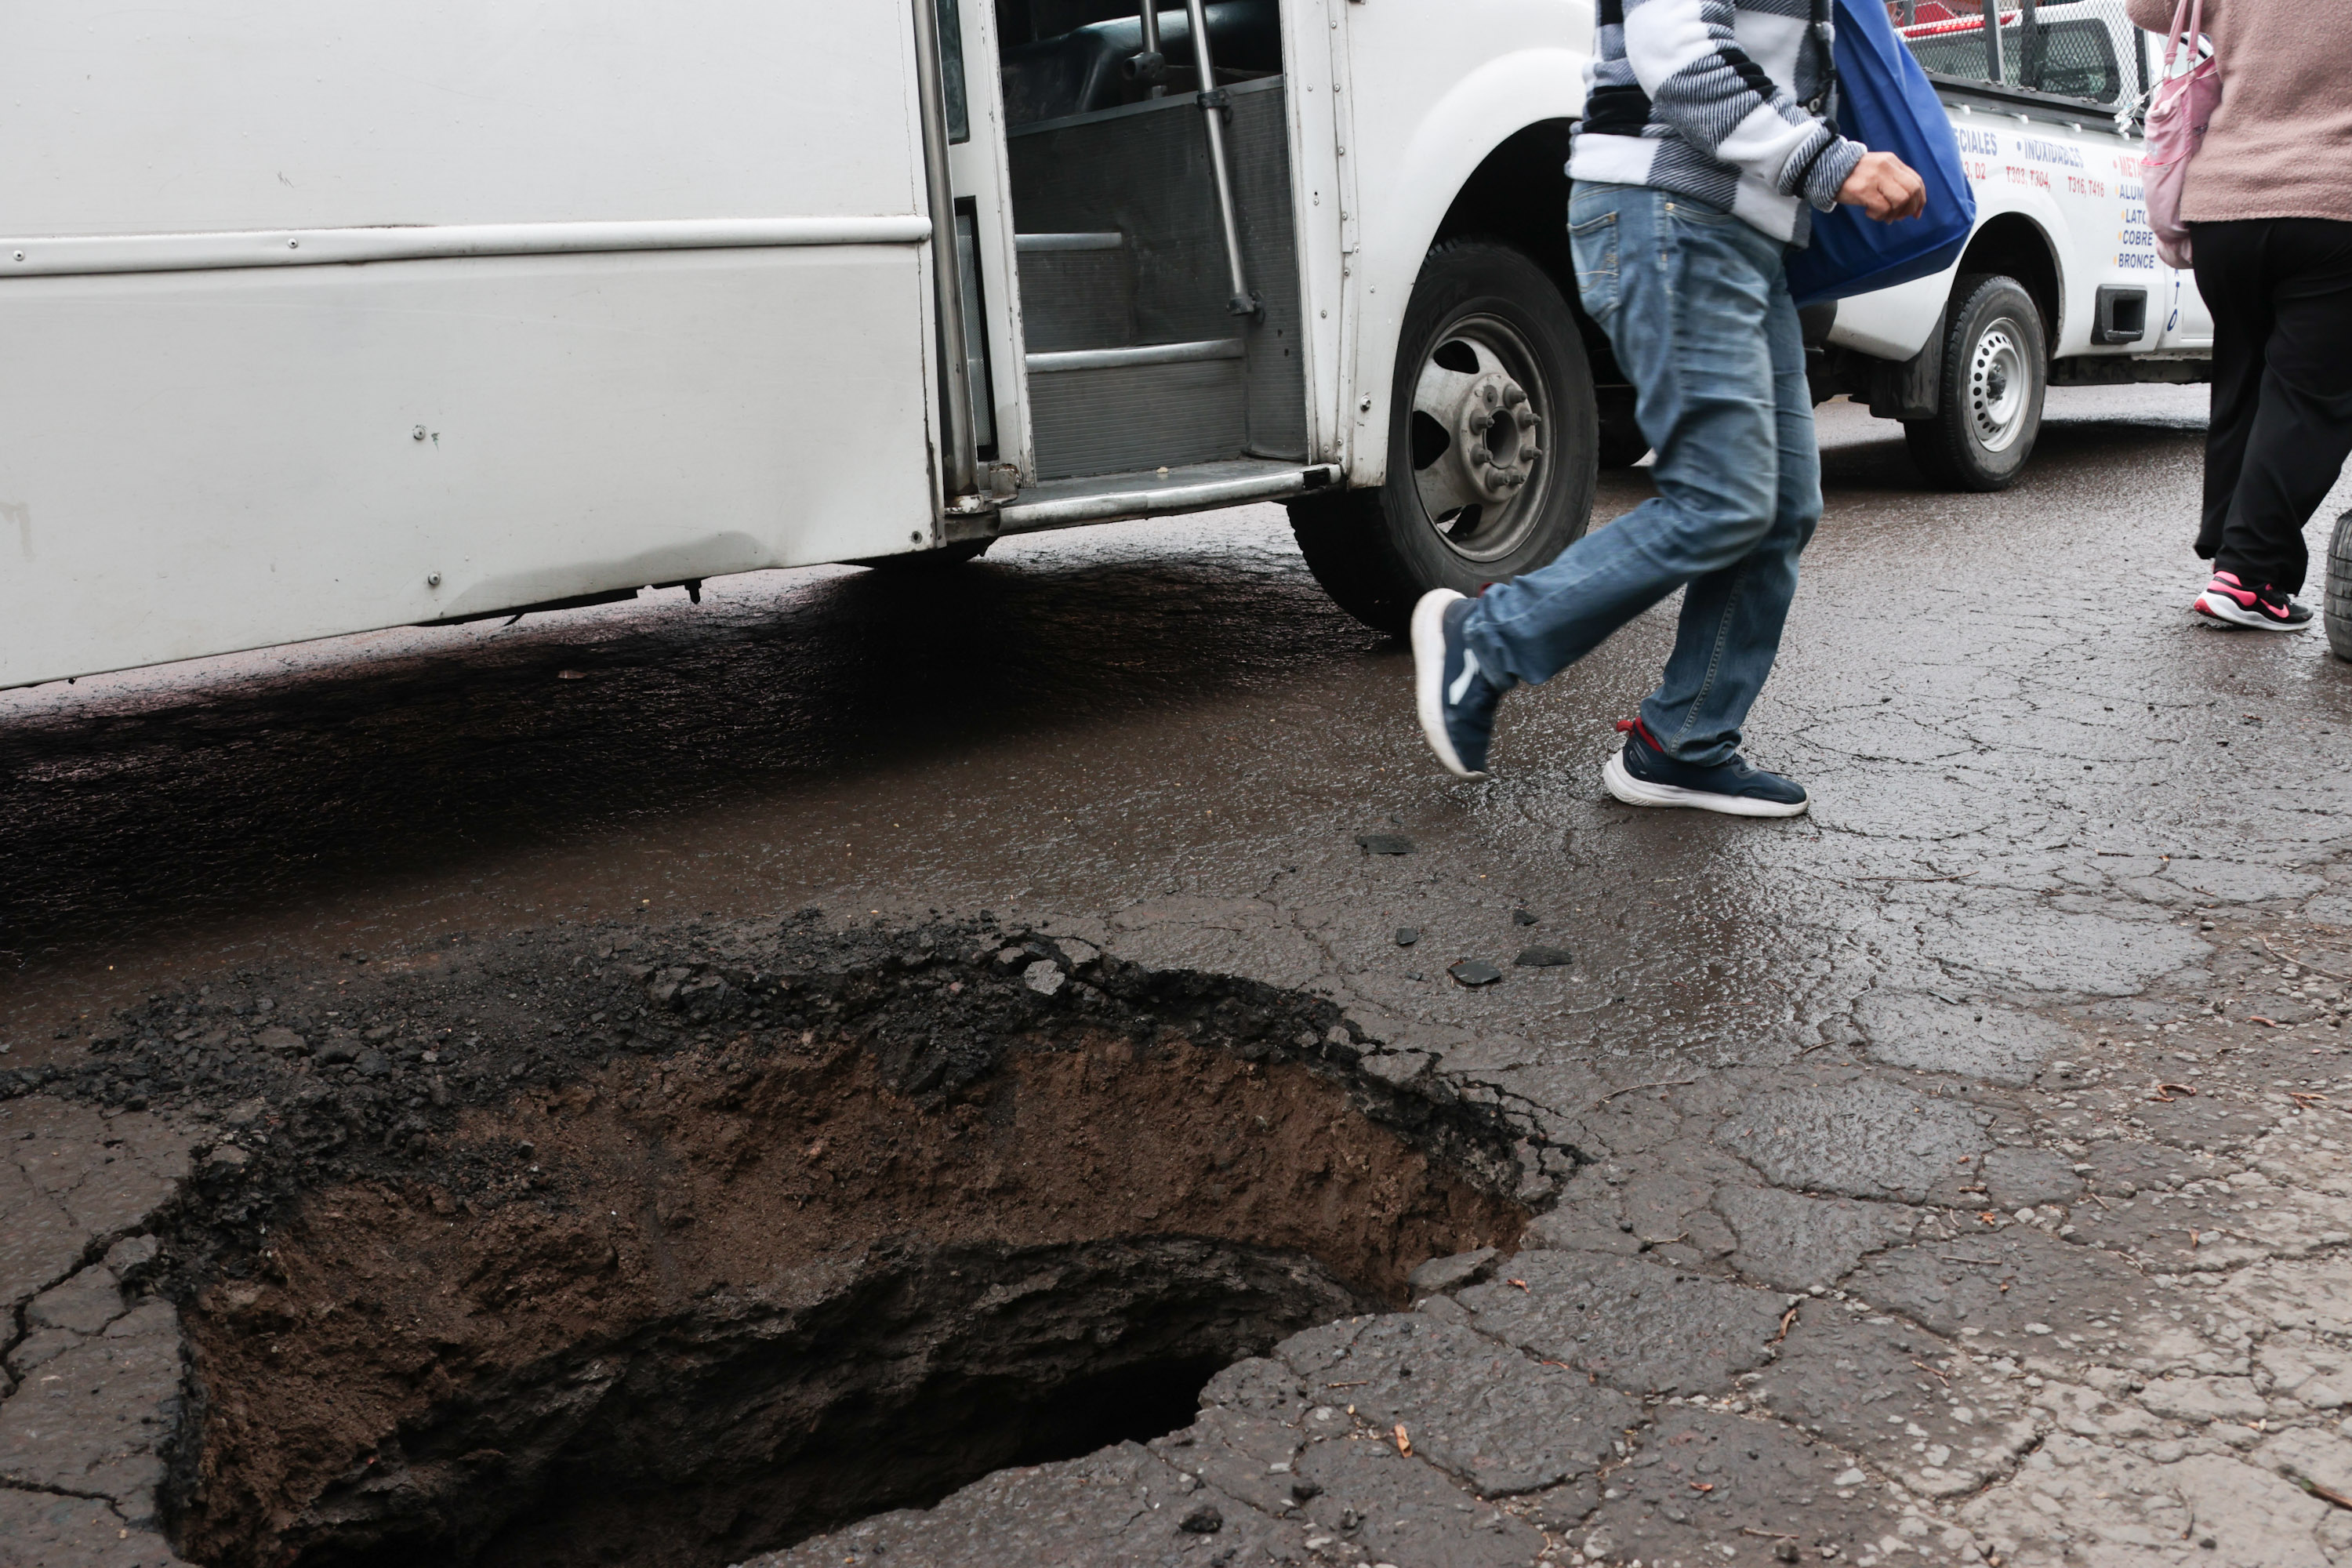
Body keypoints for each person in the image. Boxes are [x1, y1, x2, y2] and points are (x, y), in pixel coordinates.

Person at [1413, 0, 1923, 815]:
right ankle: (1484, 641)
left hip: (1742, 230)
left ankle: (1682, 745)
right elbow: (1673, 44)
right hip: (1671, 213)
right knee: (1723, 498)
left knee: (1780, 506)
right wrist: (1829, 162)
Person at [2122, 0, 2352, 633]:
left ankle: (2250, 569)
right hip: (2332, 203)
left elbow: (2144, 8)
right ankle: (2246, 577)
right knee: (2308, 399)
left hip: (2224, 209)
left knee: (2247, 382)